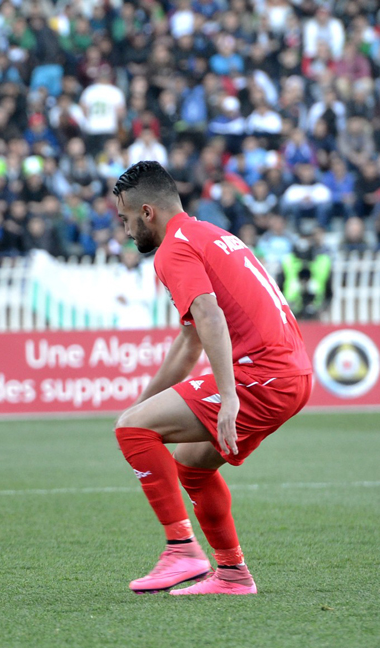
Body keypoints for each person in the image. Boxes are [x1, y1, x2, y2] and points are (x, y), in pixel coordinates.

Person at [111, 161, 312, 595]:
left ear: (147, 212)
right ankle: (233, 575)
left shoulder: (173, 249)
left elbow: (210, 316)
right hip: (291, 373)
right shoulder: (212, 235)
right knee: (191, 463)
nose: (125, 230)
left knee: (131, 431)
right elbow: (190, 342)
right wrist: (143, 403)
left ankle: (182, 550)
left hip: (264, 375)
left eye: (125, 219)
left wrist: (229, 397)